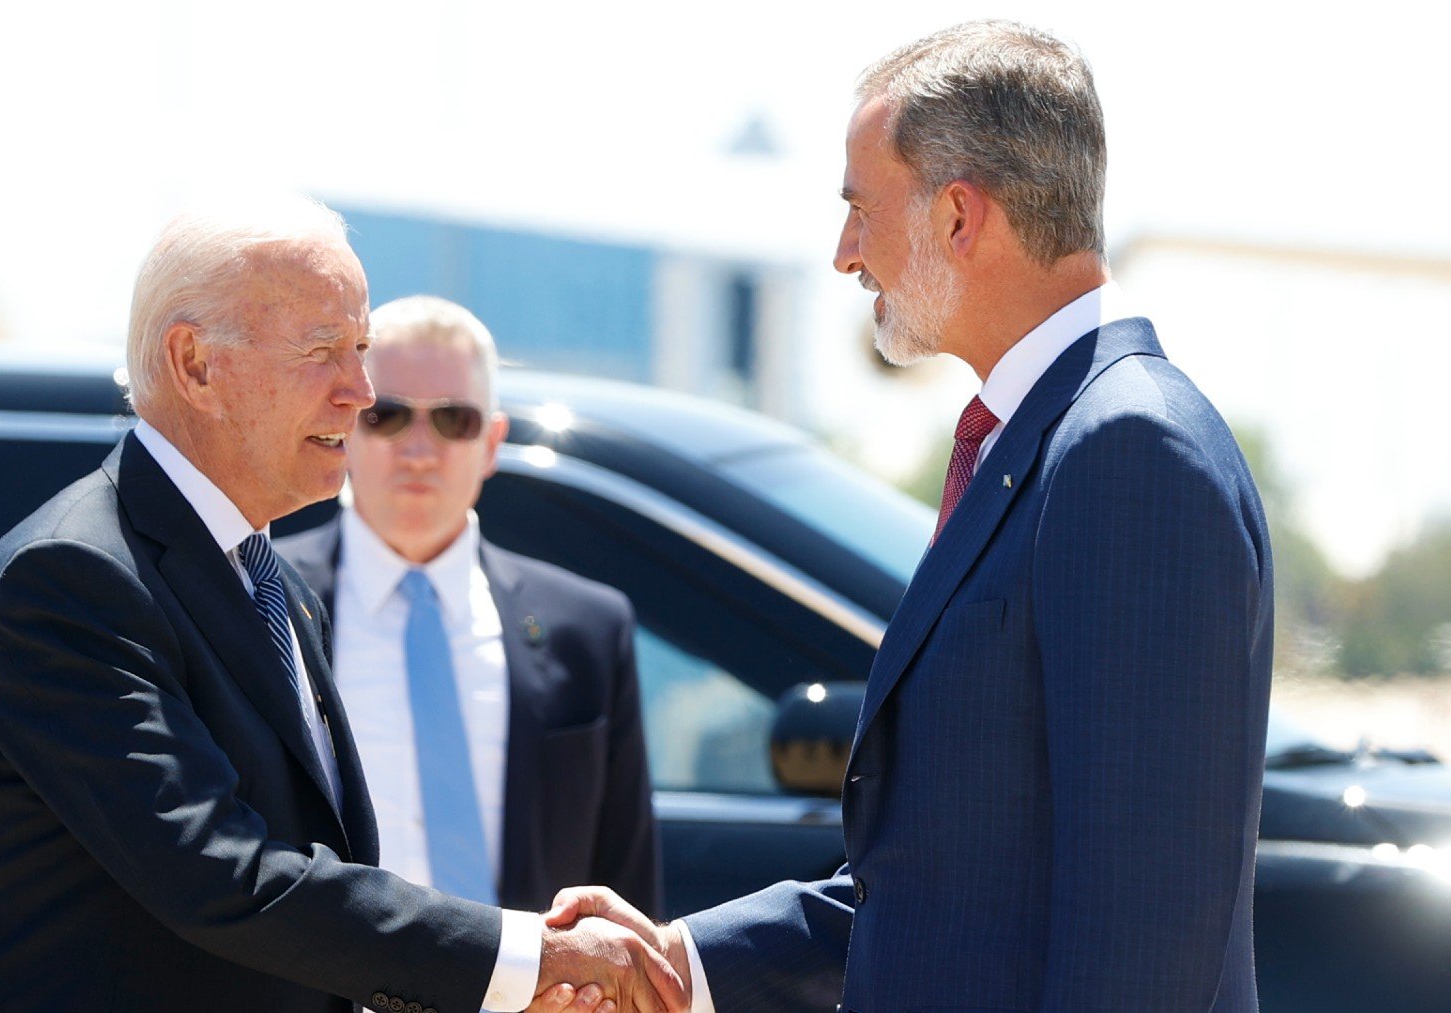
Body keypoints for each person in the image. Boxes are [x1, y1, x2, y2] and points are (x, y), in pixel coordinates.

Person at [542, 20, 1274, 1013]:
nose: (845, 254)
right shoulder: (1048, 441)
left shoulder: (1124, 452)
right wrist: (679, 958)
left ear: (960, 218)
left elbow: (1144, 937)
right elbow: (947, 887)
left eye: (858, 209)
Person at [0, 203, 685, 1013]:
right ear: (195, 365)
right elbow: (222, 876)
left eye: (359, 352)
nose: (360, 393)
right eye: (322, 351)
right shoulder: (71, 577)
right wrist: (524, 958)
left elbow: (317, 881)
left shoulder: (270, 582)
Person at [277, 296, 661, 920]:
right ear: (344, 424)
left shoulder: (587, 629)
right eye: (388, 416)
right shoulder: (263, 599)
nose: (421, 450)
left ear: (492, 442)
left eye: (454, 420)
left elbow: (627, 886)